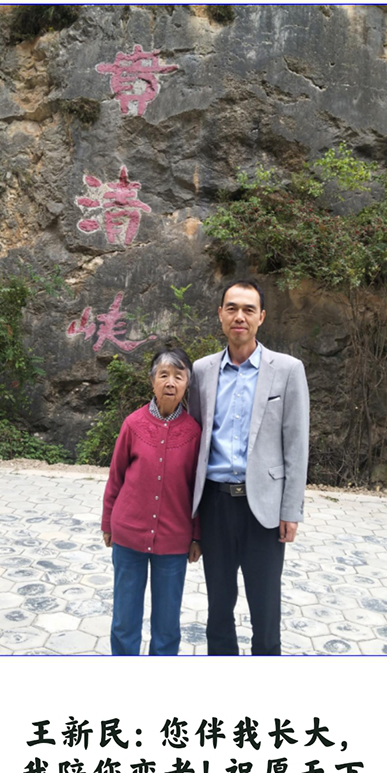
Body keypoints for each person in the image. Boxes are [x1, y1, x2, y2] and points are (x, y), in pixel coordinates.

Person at [190, 279, 310, 656]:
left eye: (248, 309)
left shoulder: (287, 370)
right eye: (232, 308)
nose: (239, 316)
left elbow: (296, 444)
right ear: (220, 315)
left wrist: (291, 510)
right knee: (218, 607)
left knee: (265, 607)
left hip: (265, 509)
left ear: (261, 317)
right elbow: (194, 440)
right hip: (215, 505)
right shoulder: (202, 371)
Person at [102, 348, 201, 655]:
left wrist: (197, 536)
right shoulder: (133, 424)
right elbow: (116, 476)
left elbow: (198, 490)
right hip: (129, 536)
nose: (170, 382)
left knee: (167, 625)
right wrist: (107, 523)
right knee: (124, 621)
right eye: (163, 375)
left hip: (174, 541)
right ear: (152, 381)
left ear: (187, 383)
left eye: (178, 376)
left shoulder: (194, 432)